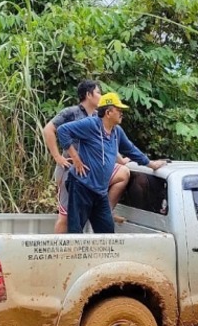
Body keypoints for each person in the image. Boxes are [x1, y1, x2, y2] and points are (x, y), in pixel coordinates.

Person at [56, 92, 167, 234]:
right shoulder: (91, 125)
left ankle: (103, 256)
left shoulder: (117, 132)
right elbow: (62, 131)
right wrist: (76, 159)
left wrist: (151, 164)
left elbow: (131, 150)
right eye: (119, 110)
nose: (122, 114)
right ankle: (71, 255)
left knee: (107, 232)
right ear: (108, 112)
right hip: (81, 186)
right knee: (75, 232)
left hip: (100, 192)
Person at [44, 80, 101, 234]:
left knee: (121, 174)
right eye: (98, 92)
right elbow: (48, 130)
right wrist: (58, 157)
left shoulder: (98, 117)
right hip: (69, 171)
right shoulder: (71, 112)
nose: (101, 96)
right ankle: (57, 254)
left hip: (88, 173)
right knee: (65, 216)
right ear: (88, 95)